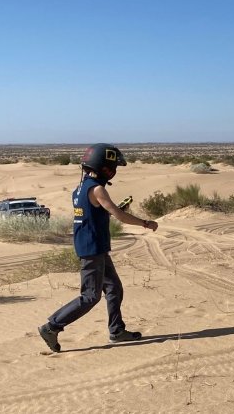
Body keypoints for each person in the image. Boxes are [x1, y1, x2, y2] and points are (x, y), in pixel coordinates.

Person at [38, 143, 158, 353]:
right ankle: (52, 326)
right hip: (92, 249)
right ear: (104, 167)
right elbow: (119, 216)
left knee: (114, 288)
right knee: (90, 296)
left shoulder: (80, 189)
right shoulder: (97, 188)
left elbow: (93, 213)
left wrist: (112, 210)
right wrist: (145, 223)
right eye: (112, 167)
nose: (114, 171)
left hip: (95, 247)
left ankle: (117, 331)